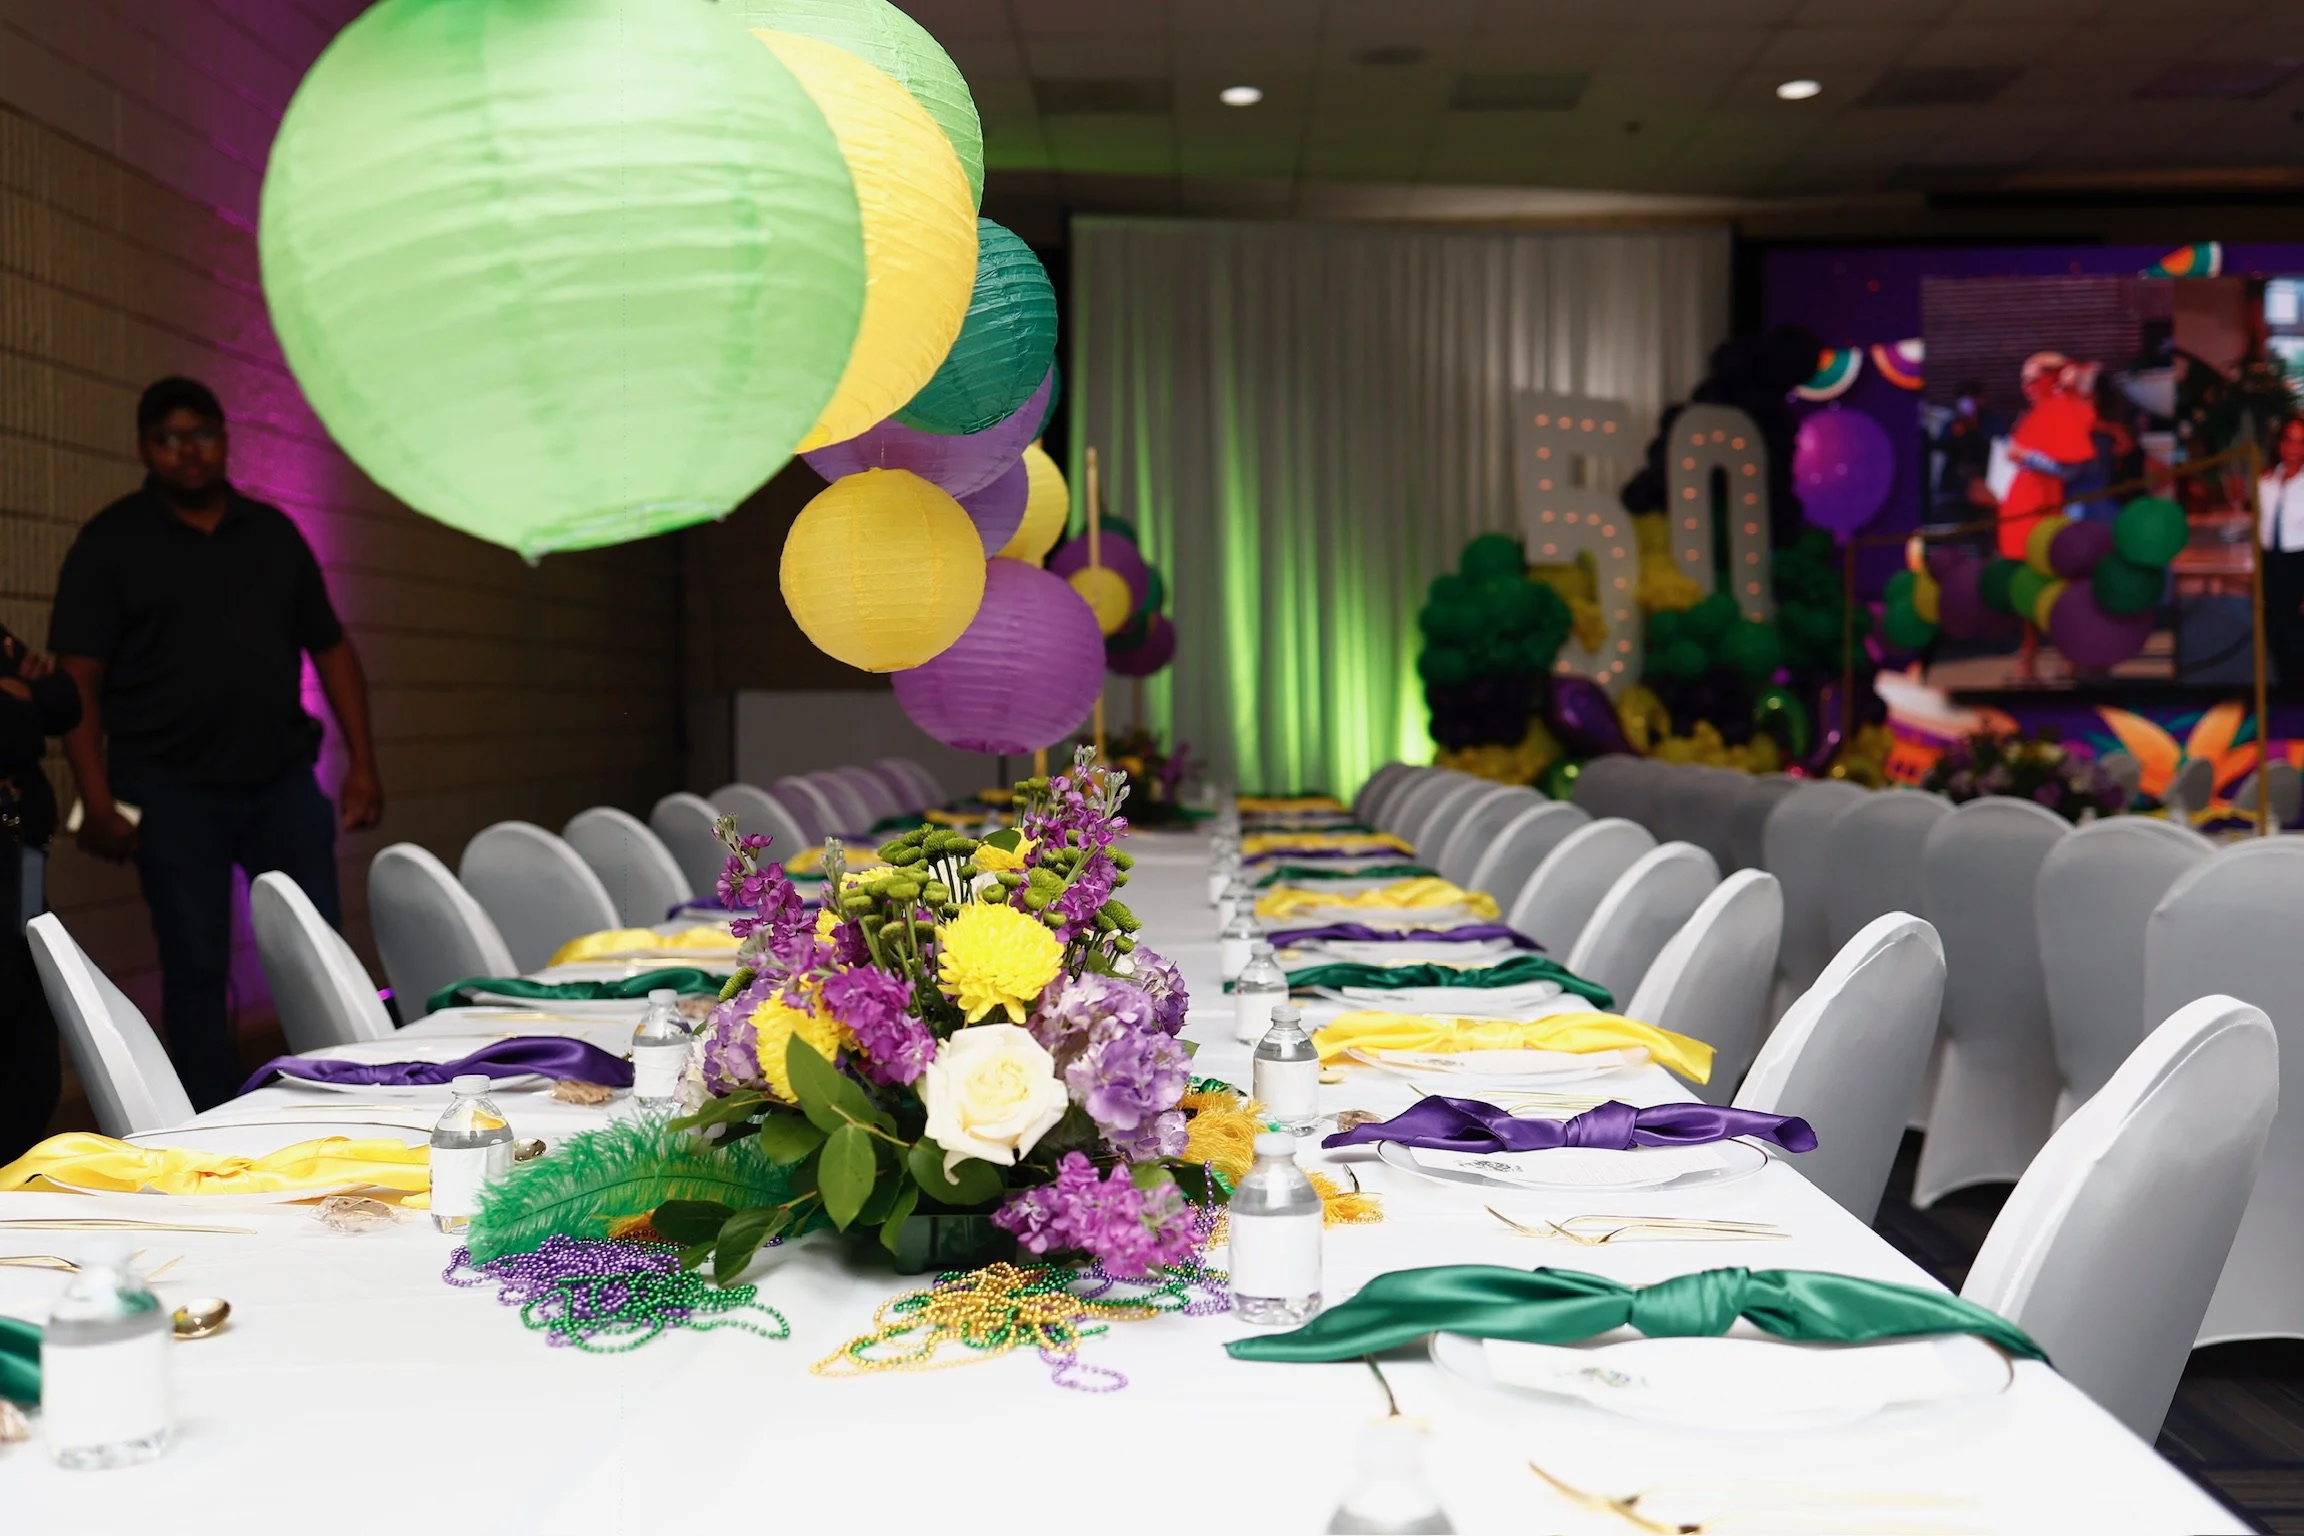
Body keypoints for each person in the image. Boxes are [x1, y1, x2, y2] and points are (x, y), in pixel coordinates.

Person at [48, 377, 382, 1109]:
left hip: (282, 783)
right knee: (195, 966)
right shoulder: (111, 543)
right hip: (169, 792)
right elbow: (79, 677)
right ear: (144, 448)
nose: (187, 450)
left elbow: (331, 650)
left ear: (225, 440)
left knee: (316, 950)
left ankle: (350, 1102)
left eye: (201, 433)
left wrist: (363, 764)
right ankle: (208, 1124)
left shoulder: (271, 534)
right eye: (168, 438)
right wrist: (95, 798)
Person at [0, 625, 81, 1159]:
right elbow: (14, 730)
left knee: (33, 1056)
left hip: (24, 859)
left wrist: (23, 697)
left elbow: (64, 698)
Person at [2260, 412, 2304, 689]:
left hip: (2299, 566)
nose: (2294, 448)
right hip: (2270, 566)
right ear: (2279, 443)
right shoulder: (2264, 482)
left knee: (2298, 645)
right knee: (2276, 641)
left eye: (2301, 442)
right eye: (2289, 440)